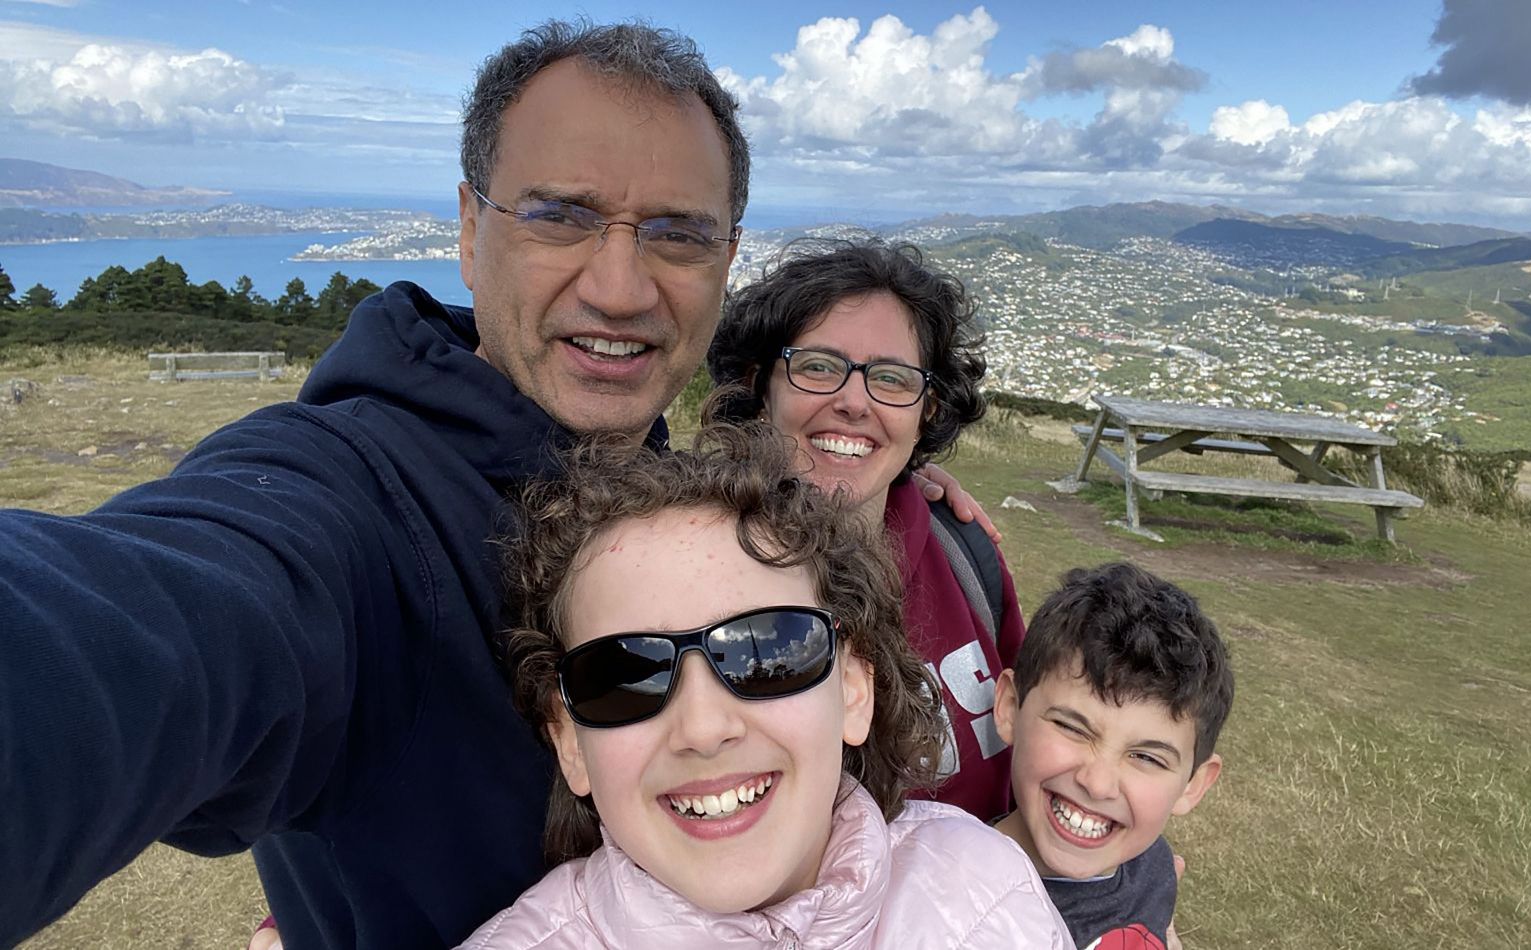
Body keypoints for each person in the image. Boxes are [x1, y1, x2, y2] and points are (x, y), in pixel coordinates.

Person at [0, 21, 985, 949]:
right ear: (471, 229)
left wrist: (890, 467)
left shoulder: (663, 492)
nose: (620, 286)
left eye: (676, 234)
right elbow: (136, 625)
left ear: (727, 261)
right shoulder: (345, 501)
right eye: (561, 216)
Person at [457, 424, 1073, 949]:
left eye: (768, 652)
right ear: (569, 742)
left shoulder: (990, 887)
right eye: (624, 676)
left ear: (855, 687)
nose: (703, 728)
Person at [707, 238, 1024, 821]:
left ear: (927, 408)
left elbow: (1042, 753)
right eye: (818, 367)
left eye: (893, 378)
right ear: (759, 386)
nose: (855, 402)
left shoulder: (965, 554)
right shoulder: (697, 574)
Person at [991, 562, 1234, 949]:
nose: (1098, 783)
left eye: (1148, 758)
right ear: (1008, 708)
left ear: (1194, 785)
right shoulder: (951, 895)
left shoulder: (1153, 868)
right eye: (1072, 728)